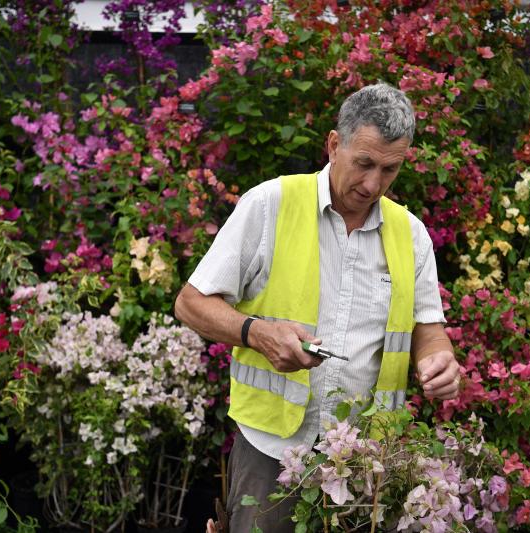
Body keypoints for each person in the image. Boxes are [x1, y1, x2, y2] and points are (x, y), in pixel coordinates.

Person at [174, 82, 461, 533]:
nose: (372, 184)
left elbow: (428, 328)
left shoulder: (412, 235)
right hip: (272, 453)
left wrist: (438, 359)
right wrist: (257, 333)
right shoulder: (270, 204)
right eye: (363, 163)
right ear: (333, 144)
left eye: (390, 170)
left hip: (368, 460)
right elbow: (190, 304)